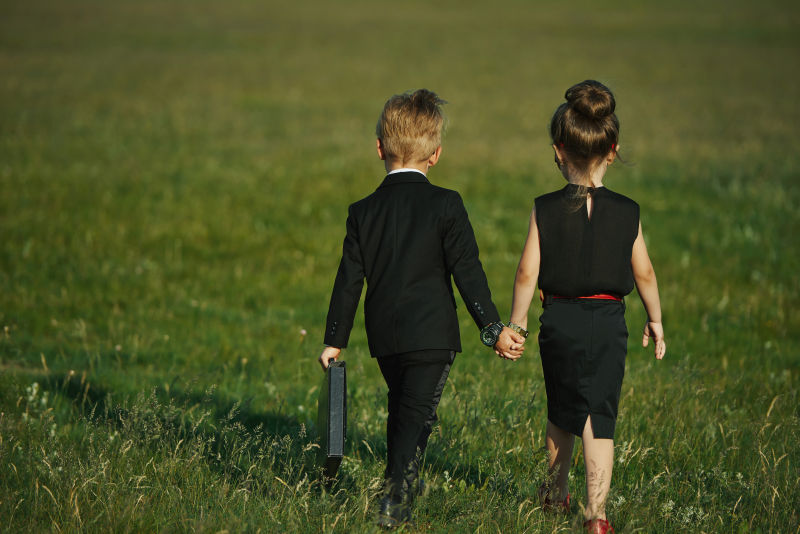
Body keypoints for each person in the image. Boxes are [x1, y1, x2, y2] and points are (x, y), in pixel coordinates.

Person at [318, 89, 525, 528]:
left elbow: (348, 280)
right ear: (436, 155)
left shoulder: (363, 211)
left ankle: (399, 492)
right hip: (432, 336)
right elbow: (468, 273)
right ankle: (396, 497)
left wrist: (334, 340)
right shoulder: (446, 204)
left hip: (386, 337)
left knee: (408, 409)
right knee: (413, 412)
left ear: (379, 148)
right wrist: (493, 330)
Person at [508, 80, 666, 534]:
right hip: (609, 322)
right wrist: (654, 319)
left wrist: (516, 325)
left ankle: (556, 496)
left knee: (561, 412)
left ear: (559, 150)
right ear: (611, 150)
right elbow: (646, 273)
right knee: (600, 417)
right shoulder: (628, 210)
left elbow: (525, 273)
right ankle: (596, 514)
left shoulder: (544, 208)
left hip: (559, 320)